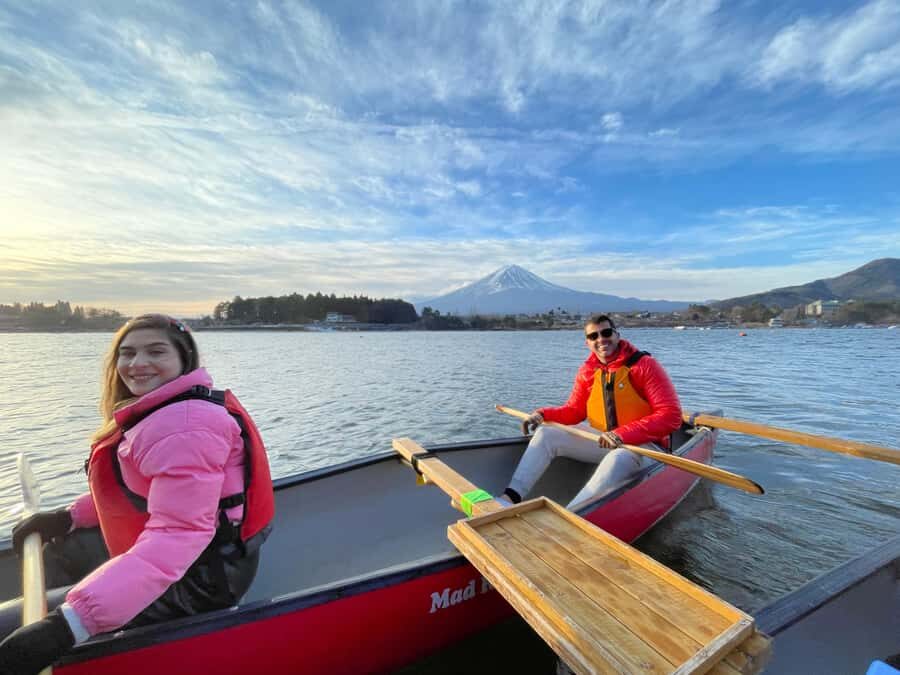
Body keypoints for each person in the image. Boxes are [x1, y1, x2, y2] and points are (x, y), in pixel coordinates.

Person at [0, 314, 275, 674]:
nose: (137, 364)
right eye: (127, 354)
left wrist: (66, 625)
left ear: (183, 360)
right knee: (65, 548)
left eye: (155, 352)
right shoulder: (166, 410)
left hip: (197, 582)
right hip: (194, 562)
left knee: (9, 630)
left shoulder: (186, 426)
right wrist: (69, 516)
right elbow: (140, 496)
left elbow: (178, 535)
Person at [499, 314, 682, 509]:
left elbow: (671, 415)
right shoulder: (588, 371)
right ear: (588, 343)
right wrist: (542, 414)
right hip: (605, 440)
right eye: (593, 336)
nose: (601, 339)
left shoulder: (644, 365)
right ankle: (508, 499)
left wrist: (622, 434)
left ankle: (571, 517)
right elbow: (574, 411)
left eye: (606, 333)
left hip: (645, 448)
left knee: (617, 457)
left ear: (617, 335)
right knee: (546, 433)